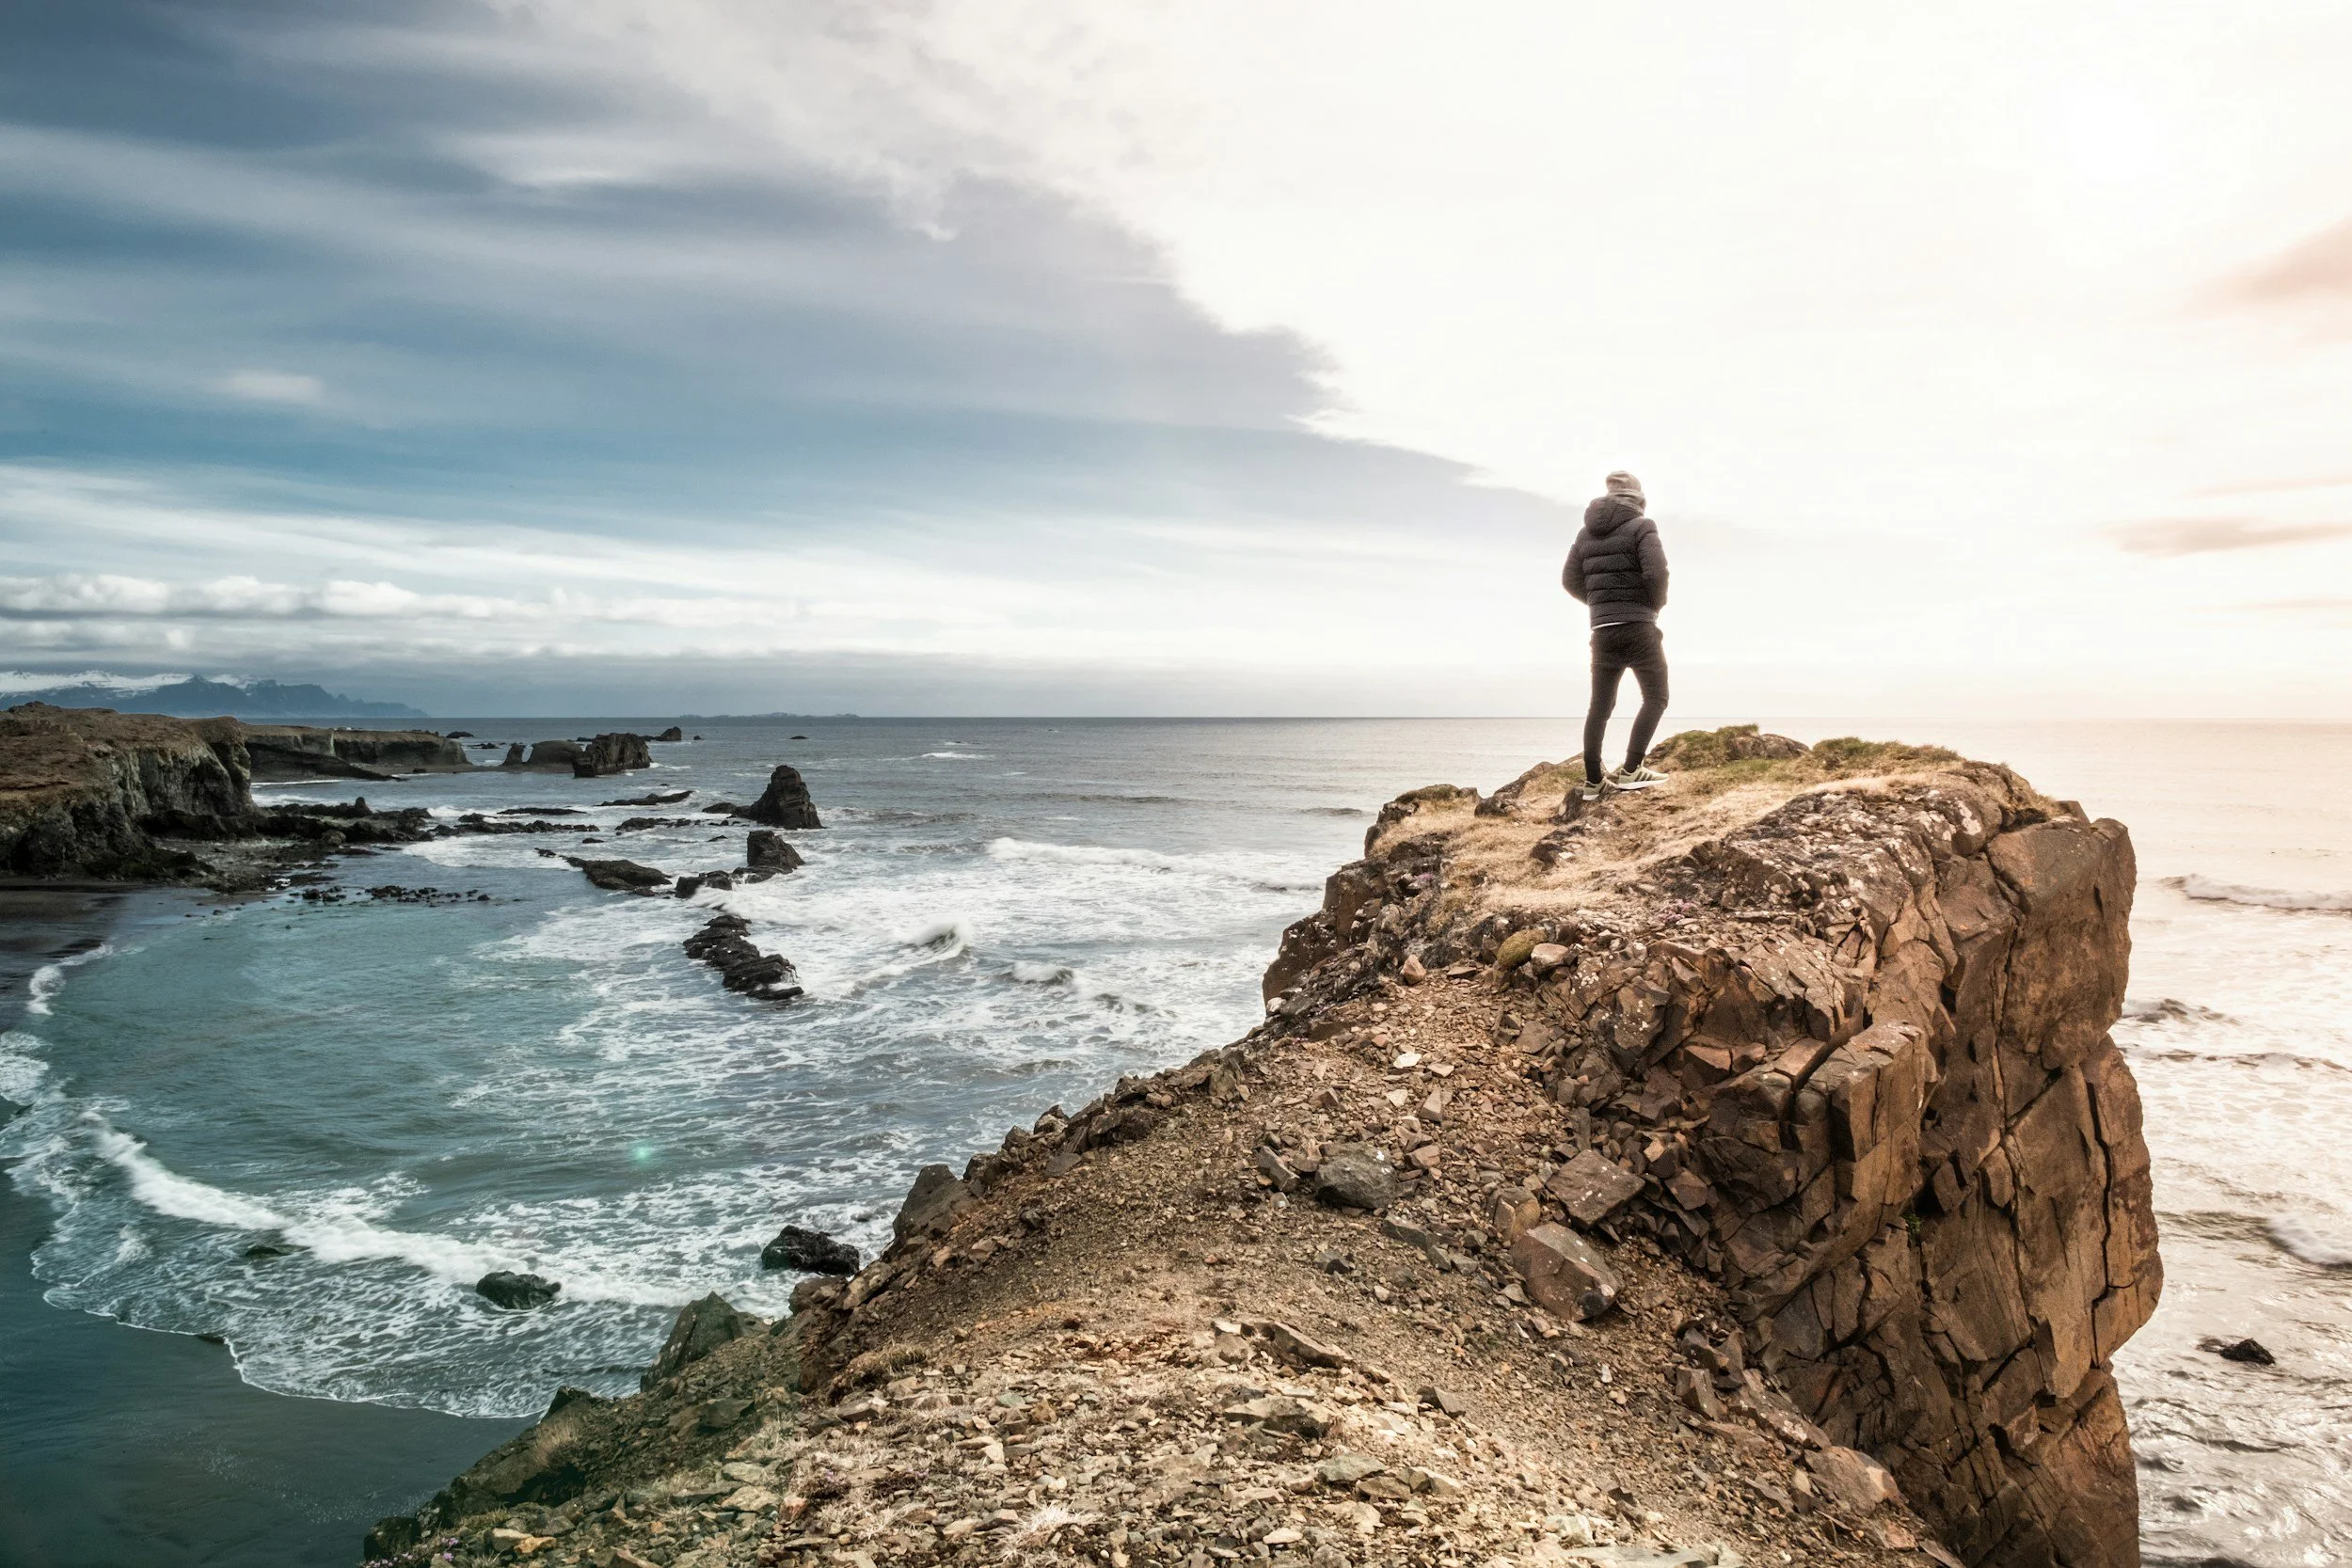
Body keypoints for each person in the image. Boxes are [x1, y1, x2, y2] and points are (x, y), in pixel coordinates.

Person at [1562, 469, 1669, 803]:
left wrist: (1600, 604)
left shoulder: (1585, 534)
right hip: (1638, 626)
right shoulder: (1642, 526)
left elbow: (1569, 580)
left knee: (1600, 707)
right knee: (1656, 697)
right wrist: (1652, 606)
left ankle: (1594, 781)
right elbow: (1657, 572)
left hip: (1603, 631)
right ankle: (1632, 769)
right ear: (1638, 498)